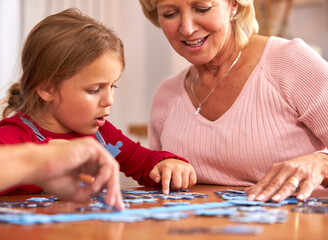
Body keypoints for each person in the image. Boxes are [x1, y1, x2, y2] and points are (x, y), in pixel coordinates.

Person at [0, 8, 196, 201]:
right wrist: (37, 160)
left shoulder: (103, 135)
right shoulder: (13, 136)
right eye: (94, 90)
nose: (109, 100)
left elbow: (143, 162)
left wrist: (166, 163)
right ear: (47, 89)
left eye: (113, 86)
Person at [139, 0, 328, 202]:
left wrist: (322, 163)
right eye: (169, 14)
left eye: (202, 9)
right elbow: (156, 184)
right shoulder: (165, 95)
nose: (187, 29)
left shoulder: (290, 60)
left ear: (234, 5)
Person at [0, 124, 124, 210]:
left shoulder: (101, 128)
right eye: (93, 90)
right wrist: (41, 158)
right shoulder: (10, 132)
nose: (109, 101)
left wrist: (39, 162)